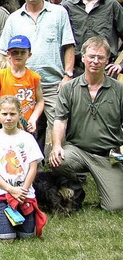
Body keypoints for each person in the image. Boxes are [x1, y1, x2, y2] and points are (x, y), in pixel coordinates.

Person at [0, 0, 75, 152]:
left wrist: (68, 75)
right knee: (21, 128)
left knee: (57, 129)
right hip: (22, 85)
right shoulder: (14, 19)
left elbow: (69, 45)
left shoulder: (59, 13)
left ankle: (54, 169)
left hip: (53, 83)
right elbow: (3, 53)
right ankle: (23, 169)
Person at [50, 36, 123, 211]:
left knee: (115, 206)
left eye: (100, 57)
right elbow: (60, 120)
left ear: (107, 60)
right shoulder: (69, 88)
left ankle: (108, 184)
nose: (95, 61)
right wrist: (57, 145)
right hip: (77, 151)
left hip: (108, 156)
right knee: (58, 160)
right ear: (82, 58)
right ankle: (76, 190)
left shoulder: (119, 89)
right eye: (91, 56)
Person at [0, 95, 47, 241]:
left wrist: (23, 190)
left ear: (20, 115)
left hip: (25, 195)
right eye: (4, 114)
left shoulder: (28, 139)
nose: (8, 118)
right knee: (7, 238)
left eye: (12, 114)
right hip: (2, 195)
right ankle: (2, 226)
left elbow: (33, 167)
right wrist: (10, 189)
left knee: (27, 237)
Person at [62, 0, 123, 77]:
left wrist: (120, 65)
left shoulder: (112, 6)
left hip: (106, 72)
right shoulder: (67, 7)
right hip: (76, 72)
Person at [0, 35, 44, 135]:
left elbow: (40, 101)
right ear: (8, 54)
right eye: (15, 52)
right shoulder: (0, 75)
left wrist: (33, 118)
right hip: (5, 125)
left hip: (26, 126)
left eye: (23, 52)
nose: (18, 55)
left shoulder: (35, 77)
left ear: (29, 54)